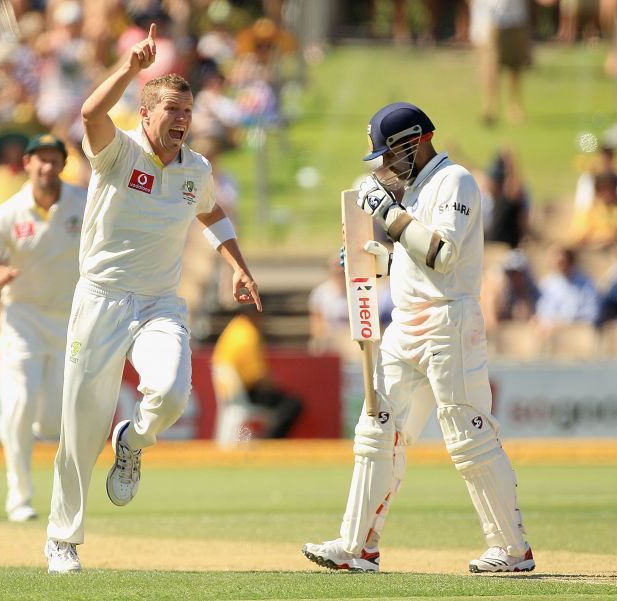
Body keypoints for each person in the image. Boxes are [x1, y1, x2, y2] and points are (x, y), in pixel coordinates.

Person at [44, 23, 261, 574]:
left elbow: (209, 210)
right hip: (101, 299)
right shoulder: (119, 154)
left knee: (169, 395)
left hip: (160, 303)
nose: (182, 121)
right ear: (145, 115)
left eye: (187, 112)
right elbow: (91, 116)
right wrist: (128, 69)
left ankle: (134, 441)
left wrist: (237, 262)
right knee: (80, 426)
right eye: (171, 111)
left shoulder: (196, 169)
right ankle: (62, 540)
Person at [302, 102, 534, 574]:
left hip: (450, 323)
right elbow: (415, 260)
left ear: (414, 141)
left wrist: (387, 216)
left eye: (389, 155)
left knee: (468, 437)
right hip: (406, 324)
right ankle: (358, 546)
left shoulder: (456, 181)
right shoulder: (415, 189)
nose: (385, 167)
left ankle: (513, 550)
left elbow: (443, 255)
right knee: (377, 430)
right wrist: (374, 262)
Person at [0, 133, 86, 523]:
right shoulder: (8, 213)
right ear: (27, 164)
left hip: (69, 321)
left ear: (63, 165)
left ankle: (33, 436)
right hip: (22, 320)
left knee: (51, 422)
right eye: (40, 160)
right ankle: (19, 496)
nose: (47, 167)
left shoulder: (84, 204)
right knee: (17, 403)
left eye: (54, 160)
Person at [211, 309, 302, 438]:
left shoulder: (234, 327)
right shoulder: (248, 334)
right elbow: (257, 376)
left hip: (233, 393)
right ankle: (268, 443)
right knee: (292, 405)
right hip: (246, 392)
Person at [533, 244, 599, 333]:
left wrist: (565, 323)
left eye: (561, 259)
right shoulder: (547, 284)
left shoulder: (586, 283)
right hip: (551, 333)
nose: (558, 261)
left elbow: (591, 314)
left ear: (570, 259)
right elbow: (543, 312)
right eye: (554, 258)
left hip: (576, 332)